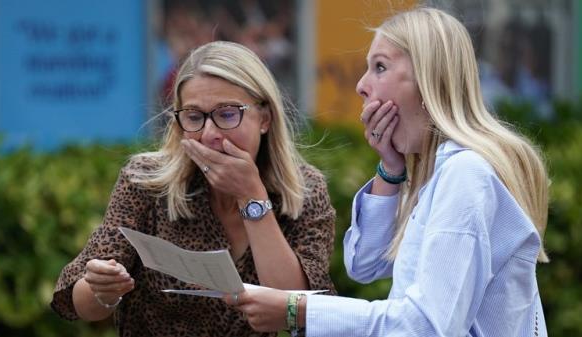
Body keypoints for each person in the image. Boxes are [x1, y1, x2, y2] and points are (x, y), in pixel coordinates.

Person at [226, 7, 549, 337]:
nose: (361, 86)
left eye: (380, 67)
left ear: (428, 80)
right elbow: (365, 263)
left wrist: (299, 309)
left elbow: (427, 326)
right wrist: (391, 169)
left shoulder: (464, 173)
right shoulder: (436, 172)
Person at [51, 41, 336, 337]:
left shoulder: (305, 190)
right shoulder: (146, 182)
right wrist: (104, 288)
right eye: (194, 117)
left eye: (227, 114)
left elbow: (293, 309)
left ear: (264, 118)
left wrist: (252, 196)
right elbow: (84, 305)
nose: (210, 134)